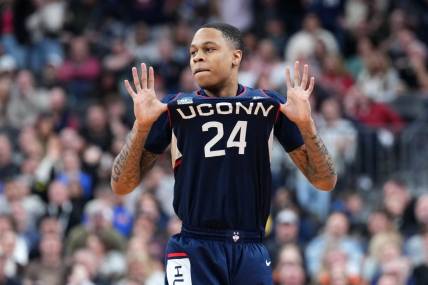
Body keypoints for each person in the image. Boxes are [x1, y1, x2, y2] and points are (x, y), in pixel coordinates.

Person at [111, 23, 337, 284]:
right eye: (193, 51)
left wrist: (307, 125)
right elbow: (121, 185)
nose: (197, 57)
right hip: (194, 245)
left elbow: (325, 180)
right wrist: (140, 126)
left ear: (235, 57)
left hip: (250, 247)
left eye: (209, 49)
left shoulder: (267, 104)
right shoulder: (174, 108)